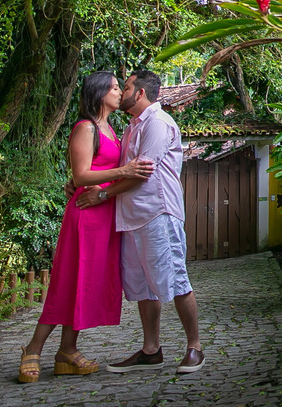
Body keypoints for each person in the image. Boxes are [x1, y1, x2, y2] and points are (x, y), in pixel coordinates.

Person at [17, 71, 155, 384]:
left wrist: (115, 176)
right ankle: (33, 349)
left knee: (85, 283)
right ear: (98, 92)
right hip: (85, 215)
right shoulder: (86, 127)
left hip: (104, 213)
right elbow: (80, 175)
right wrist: (125, 169)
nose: (121, 92)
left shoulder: (112, 129)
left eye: (121, 87)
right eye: (115, 87)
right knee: (68, 281)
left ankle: (67, 351)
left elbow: (95, 172)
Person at [75, 69, 206, 374]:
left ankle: (195, 347)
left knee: (174, 278)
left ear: (141, 93)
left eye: (127, 86)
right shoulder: (132, 127)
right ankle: (151, 350)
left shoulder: (157, 124)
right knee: (143, 285)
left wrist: (103, 195)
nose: (122, 92)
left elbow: (141, 173)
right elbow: (115, 167)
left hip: (157, 211)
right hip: (131, 216)